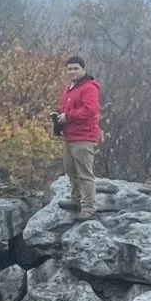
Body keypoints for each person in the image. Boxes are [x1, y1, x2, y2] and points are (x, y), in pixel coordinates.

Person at [54, 54, 101, 216]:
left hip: (83, 137)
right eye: (69, 69)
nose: (72, 71)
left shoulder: (89, 87)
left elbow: (90, 109)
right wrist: (58, 115)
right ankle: (76, 201)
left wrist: (68, 116)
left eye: (75, 68)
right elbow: (63, 107)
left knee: (85, 175)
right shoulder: (70, 87)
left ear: (83, 69)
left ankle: (88, 208)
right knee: (71, 172)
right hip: (69, 136)